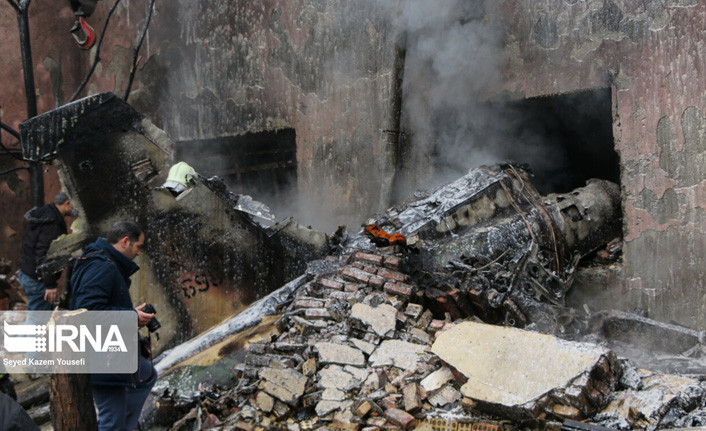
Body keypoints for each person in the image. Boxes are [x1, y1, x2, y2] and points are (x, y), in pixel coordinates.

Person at [69, 220, 157, 431]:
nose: (139, 253)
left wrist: (131, 312)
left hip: (105, 349)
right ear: (126, 241)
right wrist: (131, 317)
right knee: (112, 419)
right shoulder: (103, 266)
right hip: (102, 353)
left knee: (146, 374)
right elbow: (88, 312)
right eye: (138, 247)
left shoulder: (98, 259)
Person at [18, 191, 76, 310]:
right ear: (67, 203)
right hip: (37, 279)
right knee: (38, 320)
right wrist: (50, 285)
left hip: (28, 273)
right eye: (76, 206)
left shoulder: (44, 214)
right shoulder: (52, 223)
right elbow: (45, 254)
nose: (76, 210)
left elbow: (30, 243)